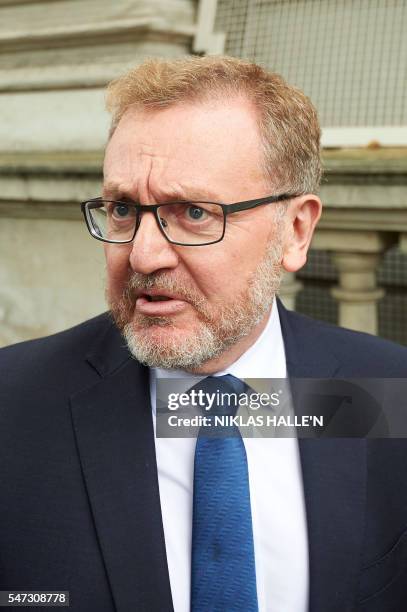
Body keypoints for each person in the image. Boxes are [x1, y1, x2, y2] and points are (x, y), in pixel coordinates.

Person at [1, 55, 407, 612]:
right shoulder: (14, 404)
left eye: (193, 212)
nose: (142, 254)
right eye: (123, 209)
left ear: (294, 230)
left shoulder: (387, 392)